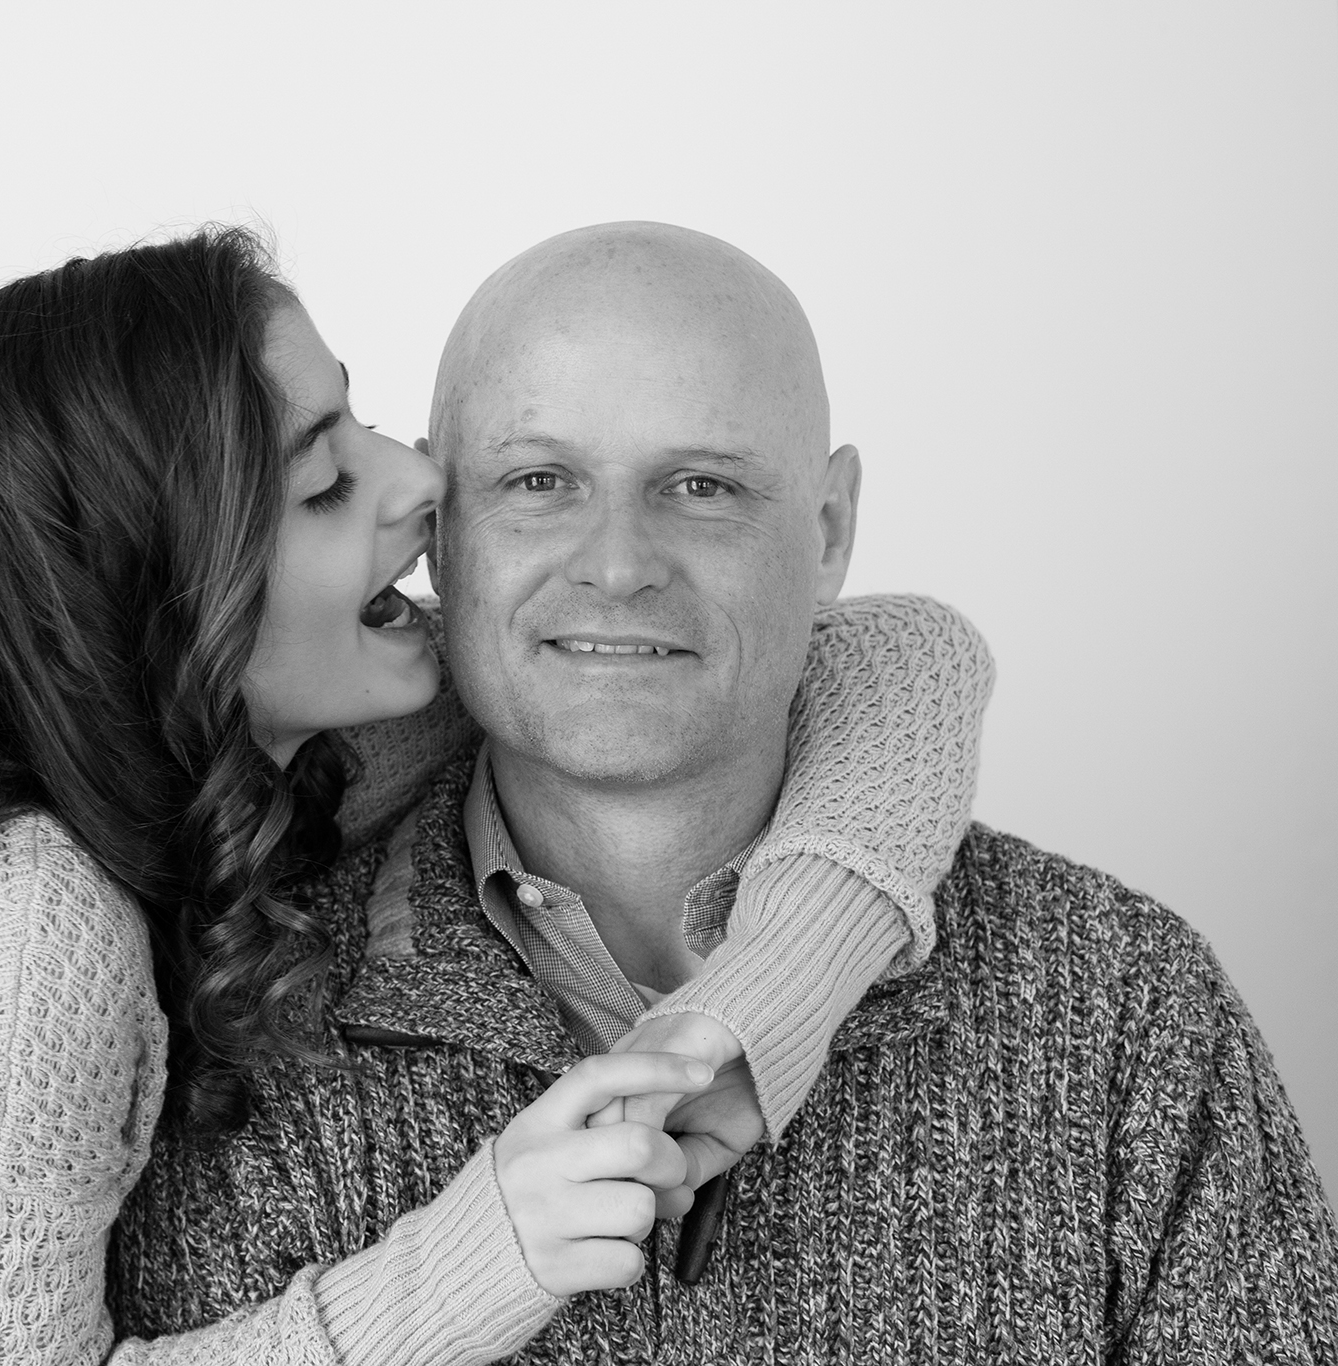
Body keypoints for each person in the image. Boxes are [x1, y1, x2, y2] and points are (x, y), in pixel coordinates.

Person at [0, 227, 992, 1364]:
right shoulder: (29, 929)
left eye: (364, 418)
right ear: (165, 599)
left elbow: (899, 656)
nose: (422, 479)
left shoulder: (252, 756)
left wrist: (766, 999)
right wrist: (482, 1252)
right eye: (327, 479)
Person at [109, 222, 1338, 1363]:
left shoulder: (1122, 1007)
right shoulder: (217, 1023)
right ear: (439, 525)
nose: (616, 564)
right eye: (537, 480)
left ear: (828, 529)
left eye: (700, 485)